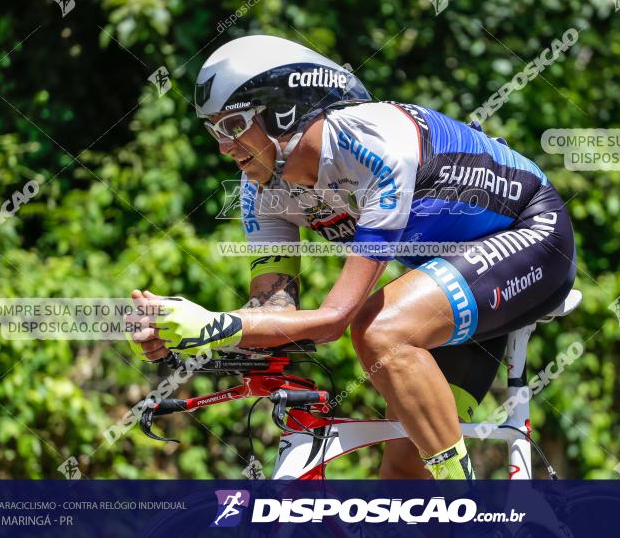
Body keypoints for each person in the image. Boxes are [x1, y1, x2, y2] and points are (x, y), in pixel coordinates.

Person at [128, 35, 576, 481]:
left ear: (281, 111)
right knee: (403, 478)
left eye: (233, 126)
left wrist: (213, 326)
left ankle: (468, 510)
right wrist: (185, 335)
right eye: (214, 131)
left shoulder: (373, 143)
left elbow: (334, 320)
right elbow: (271, 313)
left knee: (376, 328)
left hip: (532, 236)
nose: (224, 147)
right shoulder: (261, 190)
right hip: (446, 279)